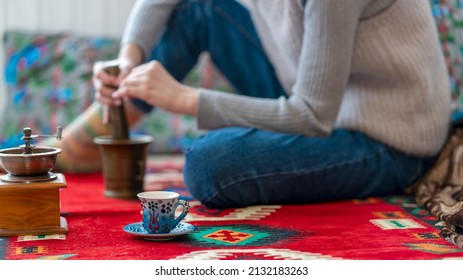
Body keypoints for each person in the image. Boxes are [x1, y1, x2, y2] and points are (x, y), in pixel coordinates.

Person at [44, 0, 452, 209]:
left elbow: (311, 116)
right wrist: (128, 57)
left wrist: (183, 98)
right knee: (201, 9)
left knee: (208, 165)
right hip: (315, 93)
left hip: (384, 138)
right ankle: (106, 128)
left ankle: (105, 138)